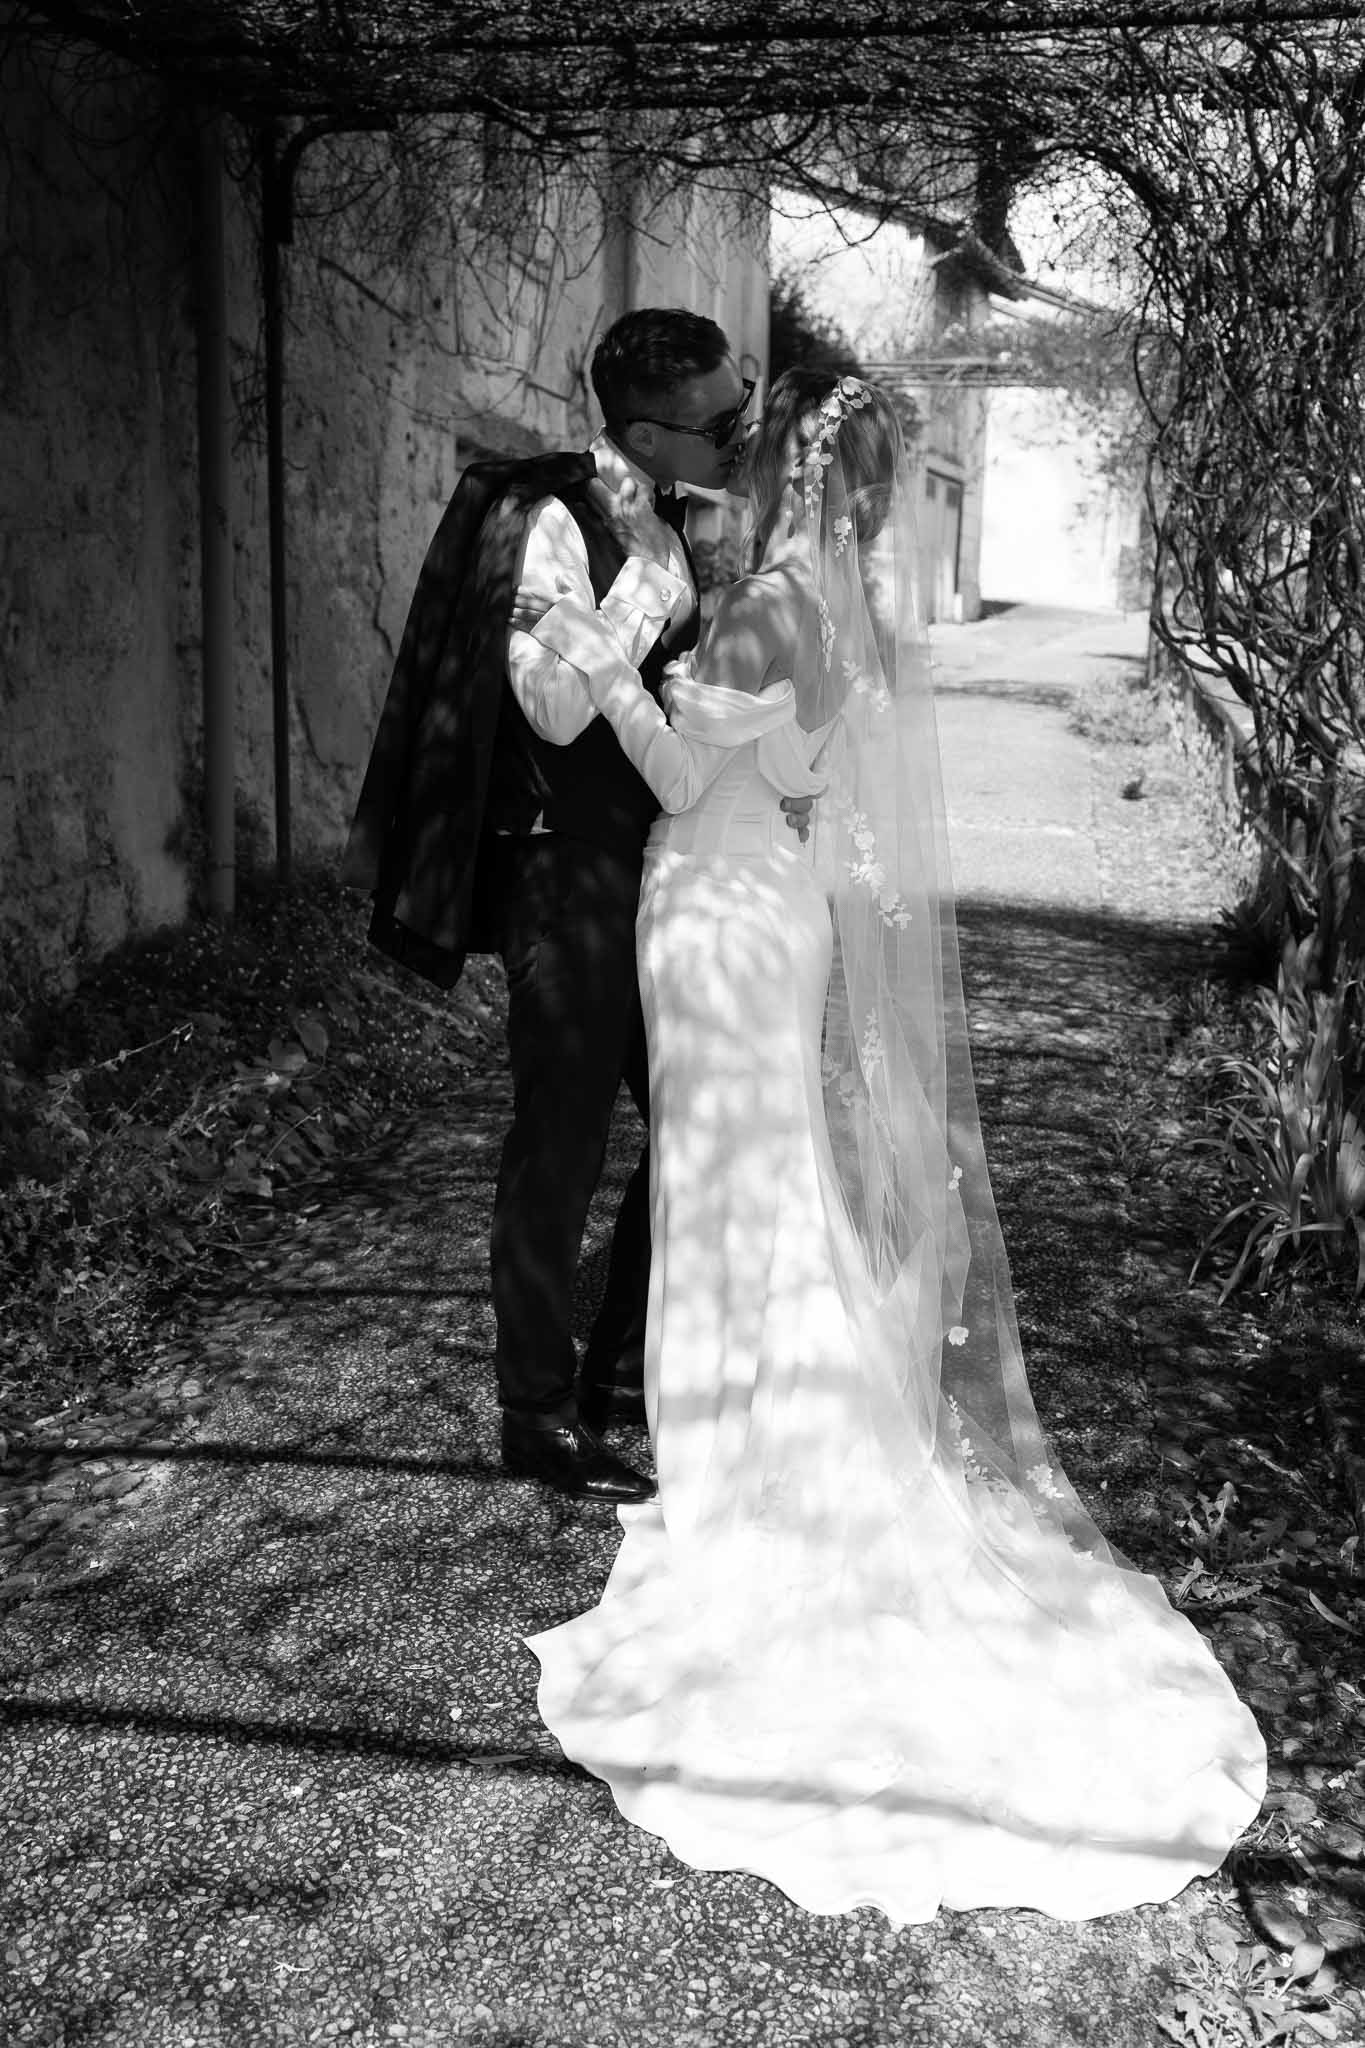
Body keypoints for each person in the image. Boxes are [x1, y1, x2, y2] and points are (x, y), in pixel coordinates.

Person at [515, 369, 1268, 1923]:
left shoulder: (752, 608)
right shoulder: (843, 598)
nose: (719, 464)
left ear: (778, 468)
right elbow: (801, 784)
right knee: (756, 1176)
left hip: (710, 911)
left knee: (736, 1188)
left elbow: (673, 777)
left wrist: (617, 649)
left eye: (742, 447)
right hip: (764, 911)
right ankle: (741, 1430)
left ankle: (742, 1468)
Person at [343, 308, 809, 1506]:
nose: (741, 436)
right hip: (565, 868)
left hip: (655, 860)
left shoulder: (671, 515)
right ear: (652, 430)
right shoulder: (559, 522)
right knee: (562, 1140)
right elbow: (551, 710)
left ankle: (629, 1357)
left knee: (699, 1110)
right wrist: (651, 593)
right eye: (724, 422)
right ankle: (536, 1409)